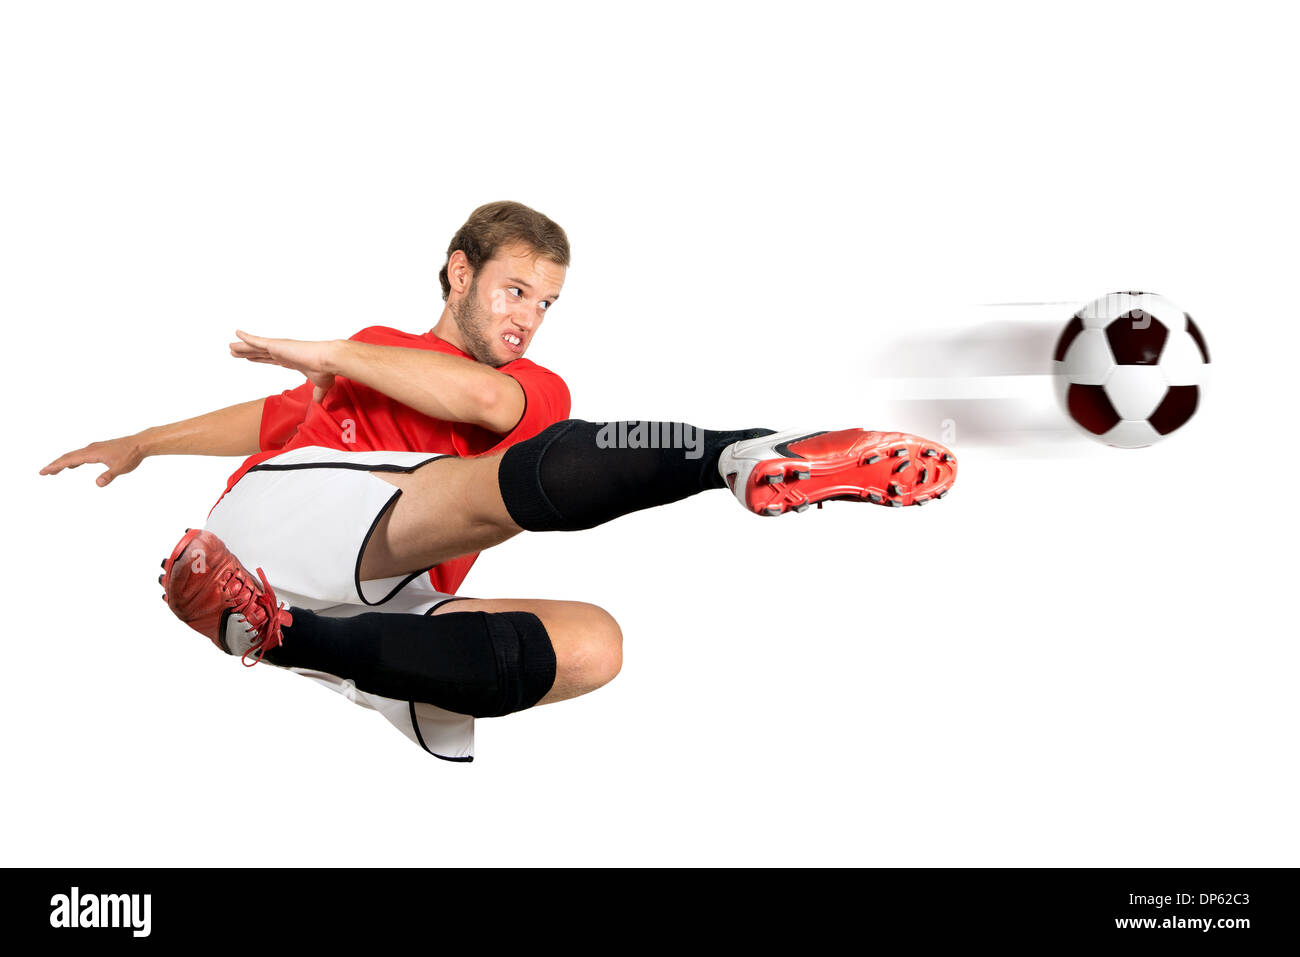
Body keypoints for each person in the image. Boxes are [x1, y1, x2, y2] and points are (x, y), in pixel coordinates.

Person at [42, 201, 958, 761]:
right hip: (263, 530)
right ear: (459, 272)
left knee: (597, 644)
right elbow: (268, 424)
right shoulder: (378, 350)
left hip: (342, 608)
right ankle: (741, 452)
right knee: (479, 495)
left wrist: (328, 354)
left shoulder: (531, 390)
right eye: (515, 290)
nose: (531, 317)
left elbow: (479, 398)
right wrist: (140, 440)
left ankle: (282, 635)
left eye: (548, 302)